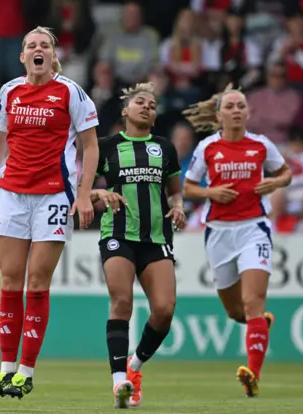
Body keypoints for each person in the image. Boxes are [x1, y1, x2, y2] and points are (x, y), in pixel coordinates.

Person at [0, 26, 99, 399]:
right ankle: (5, 370)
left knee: (38, 281)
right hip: (11, 195)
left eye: (44, 45)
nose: (37, 49)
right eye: (31, 46)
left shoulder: (70, 92)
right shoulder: (9, 92)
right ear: (22, 56)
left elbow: (90, 147)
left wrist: (84, 195)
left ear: (53, 56)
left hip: (54, 197)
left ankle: (26, 371)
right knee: (10, 281)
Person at [182, 84, 293, 398]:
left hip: (254, 229)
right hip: (218, 232)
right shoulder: (207, 148)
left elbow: (286, 173)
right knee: (234, 312)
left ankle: (252, 375)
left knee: (252, 303)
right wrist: (210, 193)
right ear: (219, 115)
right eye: (229, 106)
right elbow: (188, 189)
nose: (236, 111)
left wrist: (274, 182)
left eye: (241, 106)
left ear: (248, 112)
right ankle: (260, 324)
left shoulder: (261, 145)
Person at [90, 82, 186, 408]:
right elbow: (80, 189)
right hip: (118, 232)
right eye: (140, 102)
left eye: (152, 105)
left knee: (165, 309)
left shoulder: (165, 147)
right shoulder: (106, 146)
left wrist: (179, 206)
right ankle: (118, 383)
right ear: (125, 111)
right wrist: (98, 194)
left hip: (156, 238)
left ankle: (134, 368)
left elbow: (174, 190)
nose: (147, 107)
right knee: (121, 300)